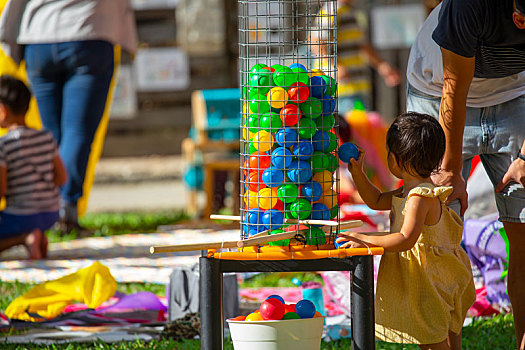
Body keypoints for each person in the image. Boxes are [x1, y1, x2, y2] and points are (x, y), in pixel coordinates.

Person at [405, 0, 525, 347]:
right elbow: (453, 90)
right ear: (517, 17)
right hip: (437, 93)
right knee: (433, 239)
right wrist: (451, 169)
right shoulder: (472, 5)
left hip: (517, 96)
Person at [337, 112, 475, 349]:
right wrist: (358, 174)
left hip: (432, 279)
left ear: (397, 160)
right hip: (435, 274)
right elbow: (377, 199)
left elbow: (406, 238)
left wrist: (365, 239)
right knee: (446, 335)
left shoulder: (419, 197)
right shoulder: (409, 192)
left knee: (432, 339)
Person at [9, 0, 137, 233]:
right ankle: (63, 209)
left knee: (52, 134)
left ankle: (46, 211)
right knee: (77, 132)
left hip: (38, 37)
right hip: (88, 33)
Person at [0, 75, 67, 259]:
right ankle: (37, 235)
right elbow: (62, 178)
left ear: (3, 111)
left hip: (20, 216)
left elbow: (1, 188)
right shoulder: (46, 137)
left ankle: (25, 238)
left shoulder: (4, 145)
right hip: (51, 214)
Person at [316, 0, 401, 113]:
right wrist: (333, 66)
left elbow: (362, 46)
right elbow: (316, 40)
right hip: (341, 89)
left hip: (357, 87)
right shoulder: (332, 10)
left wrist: (383, 67)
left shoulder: (352, 11)